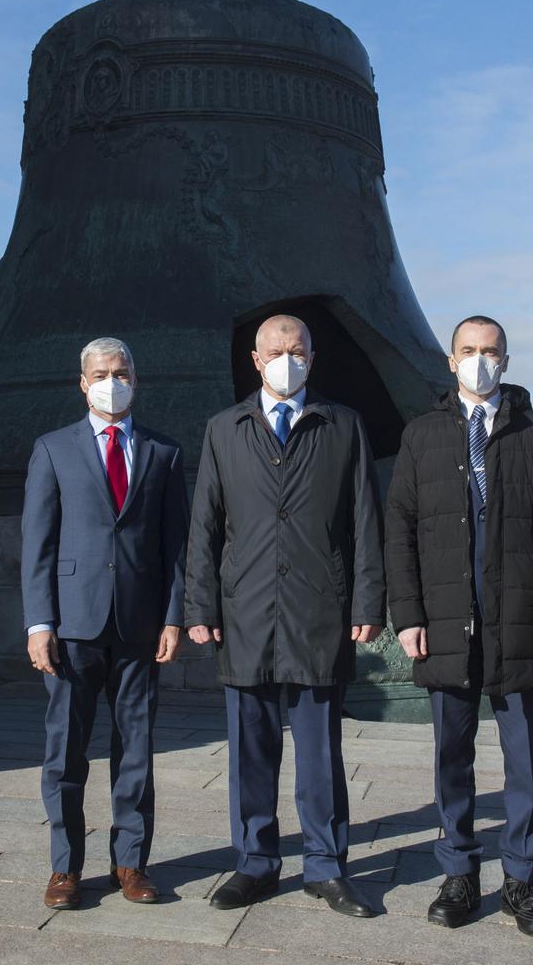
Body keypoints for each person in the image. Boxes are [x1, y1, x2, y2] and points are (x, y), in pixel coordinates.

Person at [385, 316, 533, 939]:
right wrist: (408, 614)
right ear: (450, 361)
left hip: (522, 620)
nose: (480, 360)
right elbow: (402, 529)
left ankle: (522, 876)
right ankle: (459, 872)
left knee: (525, 756)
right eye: (468, 351)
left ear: (507, 358)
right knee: (452, 755)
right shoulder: (421, 436)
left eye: (490, 351)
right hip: (448, 623)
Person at [185, 314, 385, 918]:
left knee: (320, 750)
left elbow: (365, 522)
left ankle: (326, 866)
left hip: (318, 611)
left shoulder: (343, 426)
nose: (287, 358)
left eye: (297, 349)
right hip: (245, 611)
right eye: (276, 349)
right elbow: (205, 526)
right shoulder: (224, 429)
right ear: (255, 358)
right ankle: (254, 862)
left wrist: (368, 602)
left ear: (312, 358)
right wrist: (200, 604)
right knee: (250, 750)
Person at [21, 338, 189, 912]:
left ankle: (131, 862)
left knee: (136, 747)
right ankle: (65, 868)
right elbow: (37, 544)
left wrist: (173, 615)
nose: (110, 380)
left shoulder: (164, 452)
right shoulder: (53, 449)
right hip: (72, 625)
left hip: (141, 623)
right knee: (65, 749)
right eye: (100, 373)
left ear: (135, 380)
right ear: (82, 381)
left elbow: (175, 546)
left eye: (120, 372)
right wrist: (39, 622)